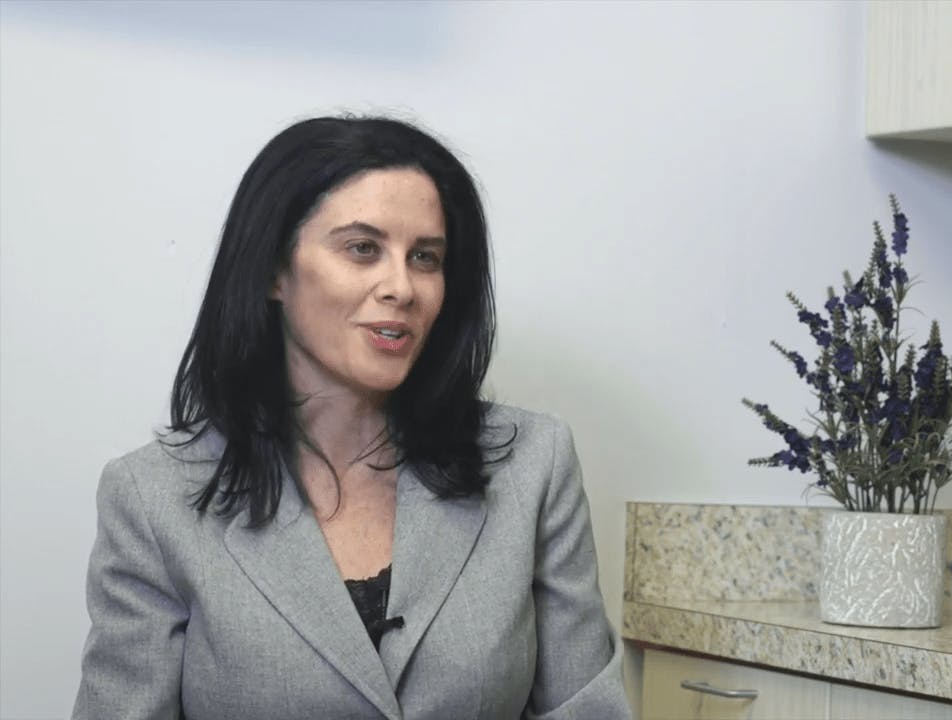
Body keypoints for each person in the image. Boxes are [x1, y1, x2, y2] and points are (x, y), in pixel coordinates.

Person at [72, 116, 630, 719]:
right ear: (272, 272)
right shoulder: (151, 498)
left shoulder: (534, 462)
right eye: (363, 249)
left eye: (425, 257)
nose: (402, 286)